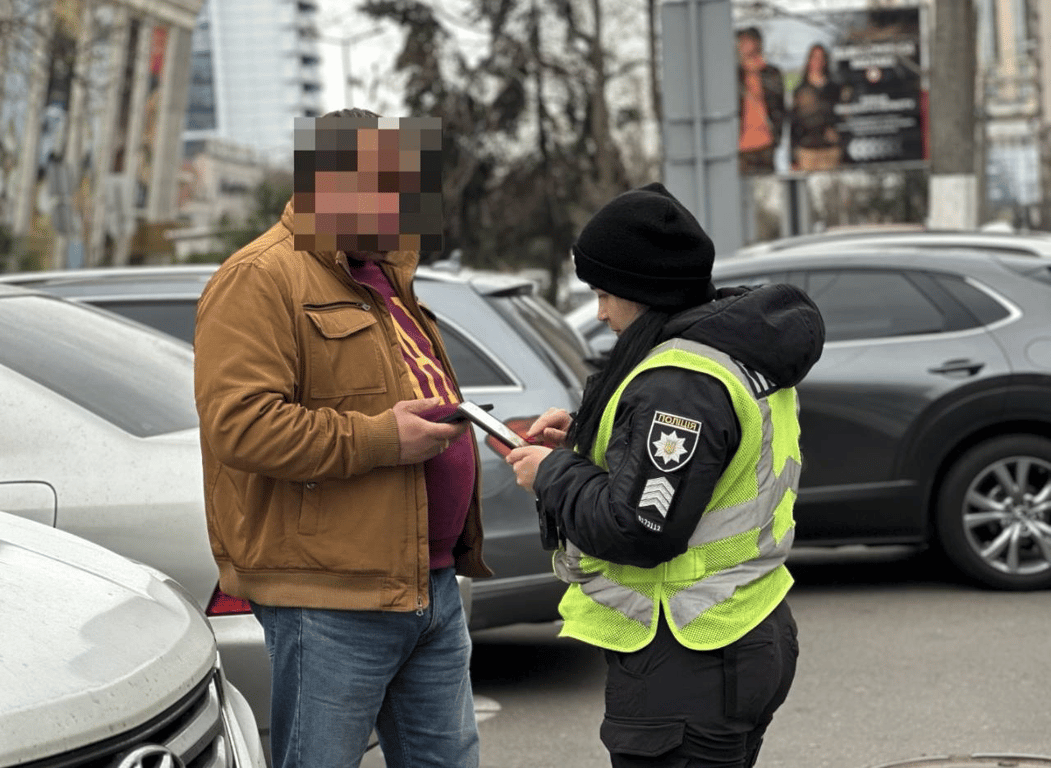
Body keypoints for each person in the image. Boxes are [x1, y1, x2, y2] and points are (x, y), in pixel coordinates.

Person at [193, 107, 490, 768]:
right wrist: (382, 439)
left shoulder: (385, 273)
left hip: (428, 584)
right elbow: (240, 427)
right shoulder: (260, 277)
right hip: (329, 599)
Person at [506, 183, 825, 768]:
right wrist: (581, 440)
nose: (600, 313)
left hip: (686, 655)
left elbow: (640, 528)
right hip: (742, 628)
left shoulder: (680, 381)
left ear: (643, 291)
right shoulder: (728, 351)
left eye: (605, 293)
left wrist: (552, 474)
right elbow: (701, 463)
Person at [737, 26, 786, 175]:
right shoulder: (736, 74)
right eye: (741, 42)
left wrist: (777, 135)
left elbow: (779, 105)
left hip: (766, 142)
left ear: (757, 43)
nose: (741, 45)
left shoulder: (771, 73)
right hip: (741, 145)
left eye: (746, 41)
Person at [790, 44, 846, 172]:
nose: (818, 62)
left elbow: (842, 118)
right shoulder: (800, 91)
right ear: (809, 61)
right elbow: (793, 124)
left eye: (821, 58)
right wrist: (792, 159)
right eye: (814, 58)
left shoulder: (835, 89)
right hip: (806, 152)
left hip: (830, 151)